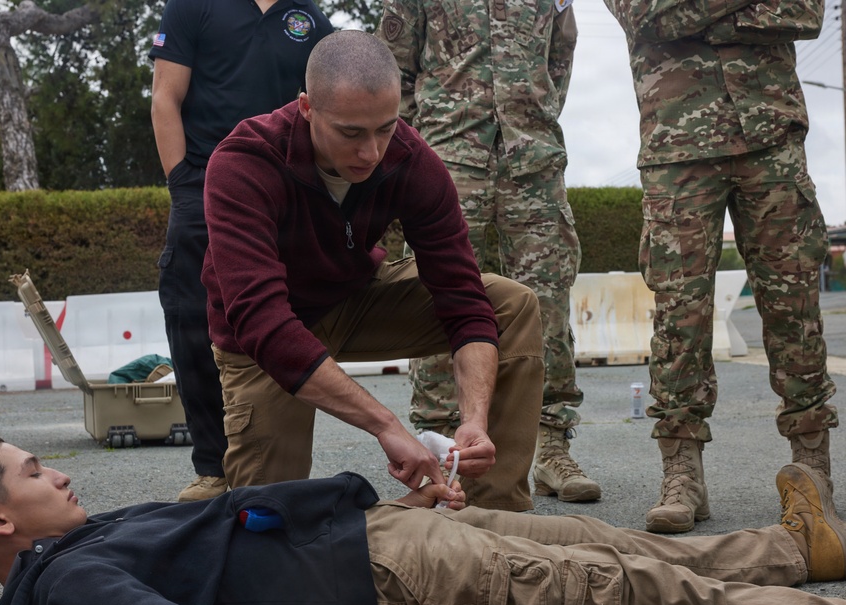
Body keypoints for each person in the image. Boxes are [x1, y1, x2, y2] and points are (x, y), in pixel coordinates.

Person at [0, 436, 846, 605]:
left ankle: (795, 548)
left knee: (612, 539)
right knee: (651, 594)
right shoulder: (67, 589)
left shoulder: (77, 548)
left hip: (386, 533)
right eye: (33, 473)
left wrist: (391, 505)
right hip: (402, 580)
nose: (58, 475)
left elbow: (238, 542)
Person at [201, 29, 546, 510]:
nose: (372, 152)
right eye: (351, 133)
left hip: (352, 296)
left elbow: (464, 300)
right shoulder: (245, 162)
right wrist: (386, 425)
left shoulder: (410, 158)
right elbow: (262, 321)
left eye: (385, 128)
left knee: (511, 304)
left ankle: (490, 513)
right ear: (306, 108)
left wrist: (475, 419)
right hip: (263, 337)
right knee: (269, 516)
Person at [603, 0, 837, 534]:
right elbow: (644, 17)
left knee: (794, 307)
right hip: (677, 143)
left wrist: (691, 17)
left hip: (771, 136)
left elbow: (805, 13)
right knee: (679, 316)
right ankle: (682, 471)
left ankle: (812, 467)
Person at [377, 0, 601, 504]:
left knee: (547, 305)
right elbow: (393, 68)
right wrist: (419, 143)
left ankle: (552, 446)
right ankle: (439, 449)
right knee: (436, 300)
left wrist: (532, 112)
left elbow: (560, 56)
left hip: (533, 159)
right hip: (448, 158)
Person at [149, 0, 333, 502]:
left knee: (274, 326)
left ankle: (266, 470)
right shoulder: (192, 6)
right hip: (203, 185)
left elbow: (327, 109)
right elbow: (165, 97)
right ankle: (212, 468)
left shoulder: (310, 18)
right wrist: (182, 183)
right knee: (192, 323)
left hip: (283, 195)